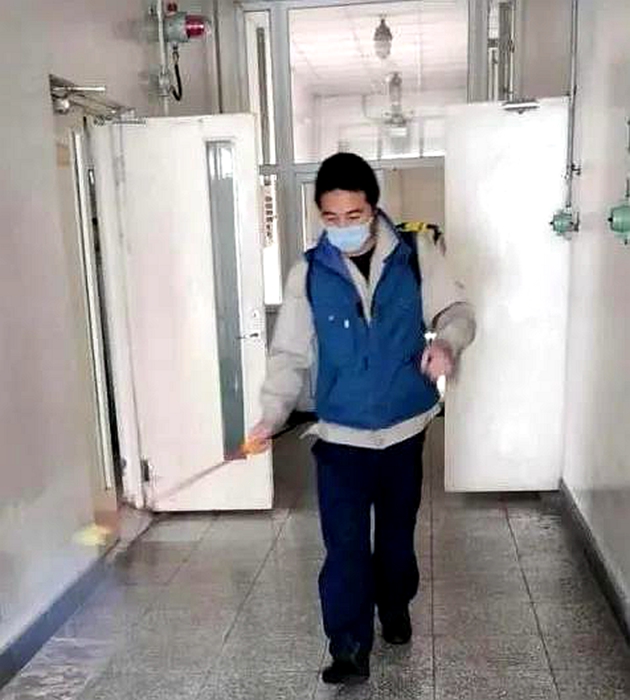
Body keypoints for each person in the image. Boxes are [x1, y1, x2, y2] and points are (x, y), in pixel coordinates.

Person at [247, 152, 475, 685]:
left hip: (403, 428)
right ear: (319, 214)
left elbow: (457, 312)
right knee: (345, 545)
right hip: (340, 435)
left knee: (395, 537)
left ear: (373, 209)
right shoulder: (309, 273)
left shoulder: (415, 255)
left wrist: (446, 343)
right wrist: (270, 416)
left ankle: (394, 604)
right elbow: (289, 354)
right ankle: (348, 645)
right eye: (331, 217)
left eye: (354, 216)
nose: (343, 227)